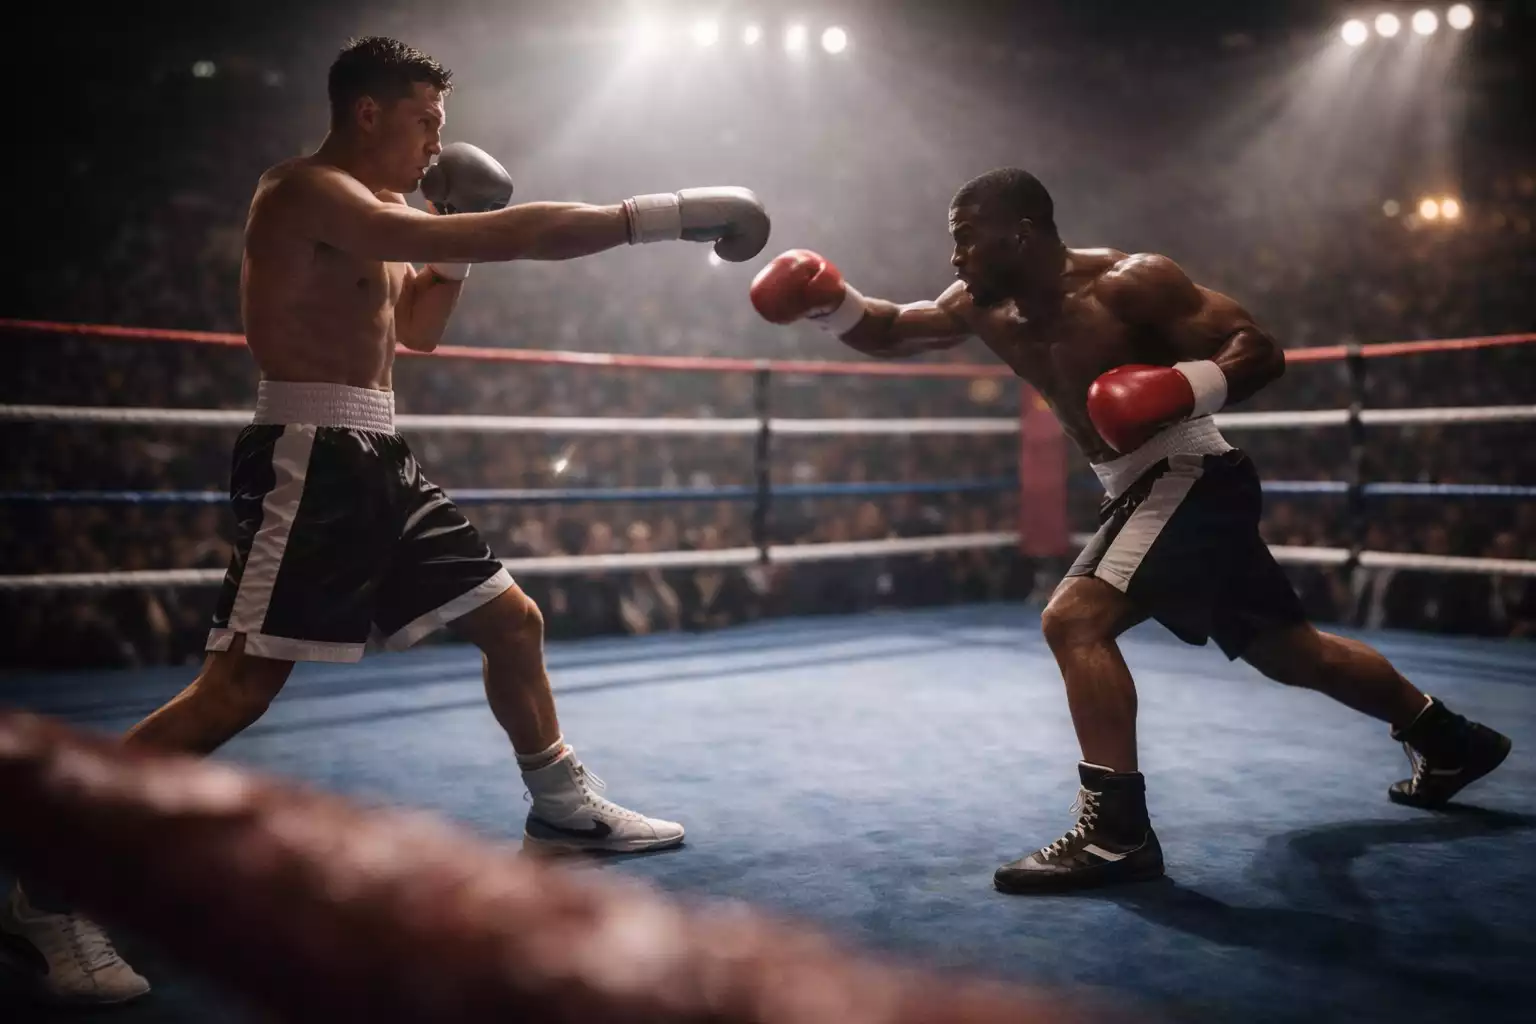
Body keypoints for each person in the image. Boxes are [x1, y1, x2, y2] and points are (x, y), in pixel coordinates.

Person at [0, 36, 768, 1005]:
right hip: (307, 453)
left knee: (511, 620)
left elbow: (420, 328)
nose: (436, 142)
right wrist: (660, 216)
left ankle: (562, 811)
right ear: (368, 113)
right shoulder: (305, 192)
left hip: (380, 454)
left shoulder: (390, 216)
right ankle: (46, 883)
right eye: (425, 122)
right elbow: (491, 241)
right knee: (237, 689)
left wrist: (451, 220)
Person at [748, 167, 1511, 894]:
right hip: (1141, 484)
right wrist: (829, 299)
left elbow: (1259, 348)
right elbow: (889, 329)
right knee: (1290, 651)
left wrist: (1181, 386)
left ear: (1020, 233)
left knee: (1074, 620)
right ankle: (1450, 741)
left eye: (966, 236)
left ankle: (1117, 835)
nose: (954, 255)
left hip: (1188, 472)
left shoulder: (1129, 281)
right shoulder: (979, 303)